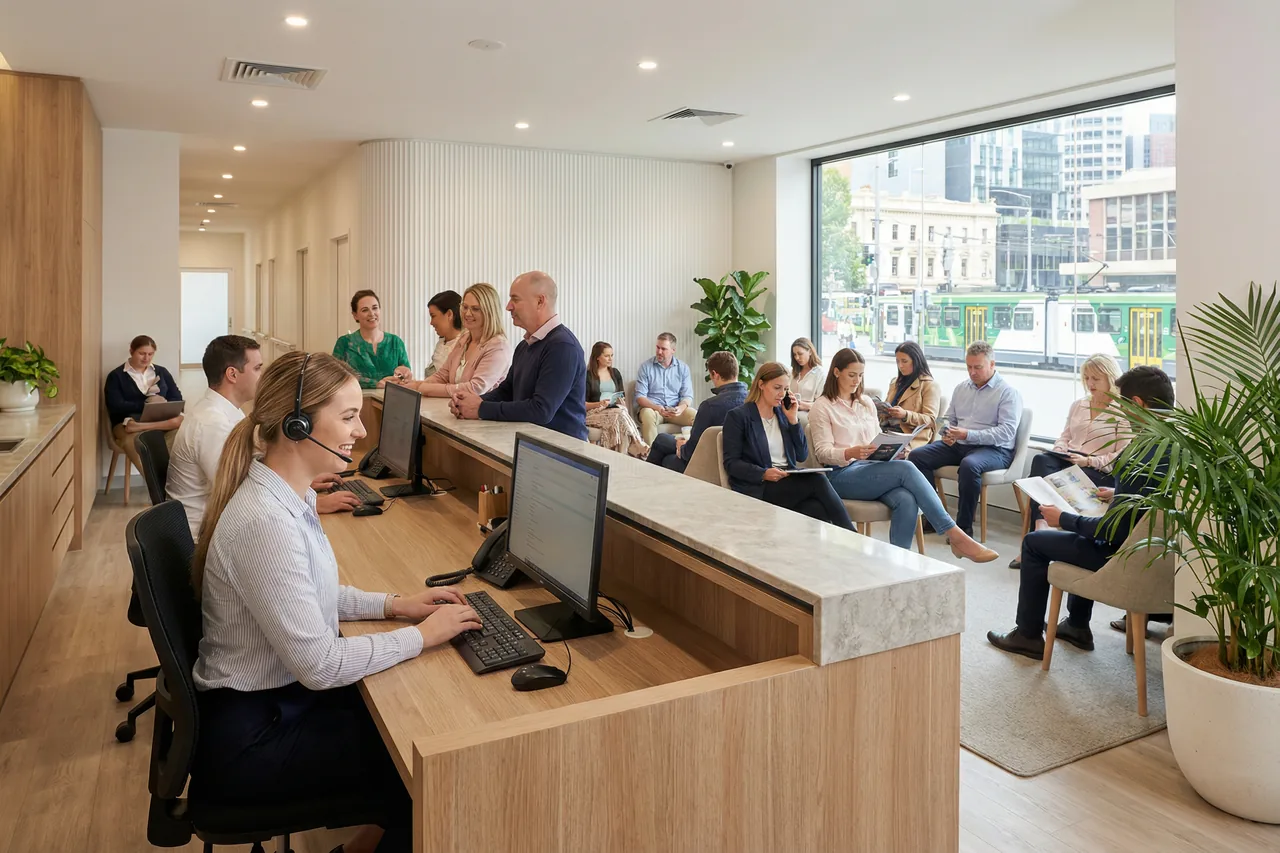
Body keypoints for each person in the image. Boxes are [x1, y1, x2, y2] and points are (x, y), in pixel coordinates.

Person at [189, 351, 483, 853]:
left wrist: (397, 605)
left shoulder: (287, 492)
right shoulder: (265, 521)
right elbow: (321, 667)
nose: (361, 432)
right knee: (434, 772)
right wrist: (421, 636)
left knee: (414, 726)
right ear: (298, 425)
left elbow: (311, 594)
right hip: (254, 739)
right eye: (348, 417)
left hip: (274, 703)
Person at [986, 366, 1173, 661]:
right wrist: (1118, 494)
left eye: (1123, 405)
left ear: (1137, 404)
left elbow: (1111, 532)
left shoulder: (1141, 451)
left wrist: (1063, 519)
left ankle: (1028, 635)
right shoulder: (1174, 444)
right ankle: (1076, 625)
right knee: (1080, 530)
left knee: (1035, 543)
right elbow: (1148, 501)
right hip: (1154, 555)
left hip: (1121, 556)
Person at [809, 348, 997, 562]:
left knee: (906, 499)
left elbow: (875, 438)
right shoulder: (822, 407)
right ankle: (955, 535)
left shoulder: (865, 403)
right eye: (852, 375)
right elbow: (822, 452)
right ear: (836, 372)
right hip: (840, 475)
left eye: (860, 375)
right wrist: (850, 452)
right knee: (907, 468)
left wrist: (894, 450)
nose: (856, 381)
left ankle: (898, 564)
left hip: (869, 469)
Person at [167, 336, 360, 538]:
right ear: (232, 374)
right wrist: (314, 503)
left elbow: (250, 473)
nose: (263, 376)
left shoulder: (225, 413)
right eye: (257, 368)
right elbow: (238, 493)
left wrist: (303, 480)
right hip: (202, 538)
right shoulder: (211, 424)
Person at [1009, 354, 1128, 569]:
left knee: (1043, 476)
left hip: (1097, 471)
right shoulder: (1079, 405)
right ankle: (1041, 526)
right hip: (1069, 461)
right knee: (1042, 460)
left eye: (1096, 379)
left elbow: (1121, 455)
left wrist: (1089, 461)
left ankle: (1039, 541)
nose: (1090, 384)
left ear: (1110, 378)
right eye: (1087, 378)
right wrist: (1060, 450)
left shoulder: (1122, 411)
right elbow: (1065, 436)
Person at [449, 271, 588, 440]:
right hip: (532, 447)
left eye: (515, 299)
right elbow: (507, 391)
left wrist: (480, 408)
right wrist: (469, 402)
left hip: (561, 455)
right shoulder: (525, 345)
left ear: (540, 301)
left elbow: (541, 410)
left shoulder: (562, 346)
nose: (508, 306)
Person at [909, 341, 1023, 536]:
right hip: (960, 444)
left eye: (978, 367)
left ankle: (963, 529)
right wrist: (946, 433)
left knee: (970, 466)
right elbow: (946, 419)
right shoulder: (961, 388)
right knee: (917, 456)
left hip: (995, 450)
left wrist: (967, 434)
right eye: (969, 367)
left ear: (992, 365)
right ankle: (933, 518)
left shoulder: (1008, 393)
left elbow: (1006, 432)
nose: (972, 372)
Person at [721, 362, 854, 530]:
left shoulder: (783, 415)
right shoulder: (739, 417)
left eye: (785, 389)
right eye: (777, 387)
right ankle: (853, 535)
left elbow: (801, 455)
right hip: (759, 486)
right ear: (761, 384)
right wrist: (763, 474)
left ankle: (816, 553)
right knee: (818, 480)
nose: (781, 394)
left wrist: (793, 421)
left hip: (786, 481)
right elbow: (731, 463)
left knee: (816, 508)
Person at [384, 283, 511, 398]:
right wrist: (413, 384)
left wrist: (422, 388)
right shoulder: (464, 339)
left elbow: (475, 388)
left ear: (489, 312)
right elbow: (442, 376)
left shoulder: (498, 346)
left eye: (475, 309)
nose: (467, 314)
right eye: (465, 307)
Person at [647, 351, 747, 473]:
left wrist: (682, 447)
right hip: (738, 463)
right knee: (662, 439)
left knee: (666, 457)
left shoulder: (709, 406)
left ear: (715, 374)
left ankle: (644, 481)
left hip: (709, 464)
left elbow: (690, 452)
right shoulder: (752, 401)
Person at [104, 334, 185, 472]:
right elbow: (115, 405)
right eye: (142, 353)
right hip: (126, 422)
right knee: (135, 442)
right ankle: (155, 485)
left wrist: (163, 403)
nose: (146, 358)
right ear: (131, 351)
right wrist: (146, 405)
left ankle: (176, 481)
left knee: (183, 435)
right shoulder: (116, 376)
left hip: (159, 420)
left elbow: (177, 398)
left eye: (150, 354)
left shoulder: (162, 372)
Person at [332, 290, 412, 389]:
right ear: (355, 315)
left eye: (375, 308)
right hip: (356, 401)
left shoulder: (395, 342)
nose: (372, 313)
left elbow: (407, 376)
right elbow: (335, 377)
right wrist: (376, 384)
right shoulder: (344, 343)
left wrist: (404, 373)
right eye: (365, 310)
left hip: (391, 401)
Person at [584, 342, 648, 457]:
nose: (610, 359)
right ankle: (637, 443)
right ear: (597, 357)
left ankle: (622, 455)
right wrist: (599, 404)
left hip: (614, 410)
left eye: (612, 355)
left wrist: (621, 402)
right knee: (620, 413)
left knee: (620, 412)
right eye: (607, 356)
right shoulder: (588, 375)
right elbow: (582, 404)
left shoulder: (615, 373)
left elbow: (621, 395)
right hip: (593, 412)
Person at [634, 333, 697, 445]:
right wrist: (657, 408)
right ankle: (651, 454)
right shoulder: (646, 367)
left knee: (696, 416)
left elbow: (687, 395)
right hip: (653, 409)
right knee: (647, 414)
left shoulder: (683, 368)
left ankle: (690, 452)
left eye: (663, 349)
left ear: (673, 350)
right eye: (658, 347)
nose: (659, 352)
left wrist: (680, 408)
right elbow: (640, 397)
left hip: (675, 410)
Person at [879, 341, 941, 451]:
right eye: (897, 361)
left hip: (909, 436)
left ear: (916, 361)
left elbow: (930, 420)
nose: (900, 366)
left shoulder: (929, 385)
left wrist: (905, 415)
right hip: (887, 431)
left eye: (904, 361)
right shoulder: (895, 382)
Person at [423, 290, 463, 378]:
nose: (431, 322)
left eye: (433, 316)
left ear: (449, 314)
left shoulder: (465, 345)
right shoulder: (442, 342)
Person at [788, 337, 824, 412]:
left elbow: (821, 404)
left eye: (800, 354)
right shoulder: (792, 372)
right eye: (794, 355)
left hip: (809, 413)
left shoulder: (820, 373)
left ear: (810, 352)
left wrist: (799, 404)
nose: (797, 358)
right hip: (790, 410)